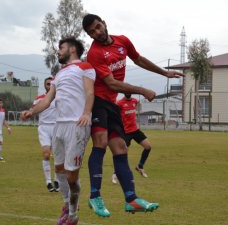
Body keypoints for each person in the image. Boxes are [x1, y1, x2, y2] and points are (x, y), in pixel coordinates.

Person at [82, 13, 184, 216]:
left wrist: (164, 73)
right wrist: (143, 90)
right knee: (100, 142)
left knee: (120, 148)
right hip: (98, 102)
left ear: (104, 23)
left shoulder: (122, 41)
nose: (97, 32)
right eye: (92, 32)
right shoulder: (95, 53)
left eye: (98, 27)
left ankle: (131, 199)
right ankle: (95, 196)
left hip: (111, 104)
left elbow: (138, 59)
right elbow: (111, 83)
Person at [21, 37, 95, 225]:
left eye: (60, 48)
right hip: (58, 125)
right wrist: (31, 111)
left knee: (72, 175)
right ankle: (66, 205)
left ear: (72, 49)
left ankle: (73, 214)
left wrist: (86, 113)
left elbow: (89, 92)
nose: (58, 51)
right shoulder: (59, 74)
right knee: (59, 169)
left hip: (77, 125)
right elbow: (47, 100)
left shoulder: (85, 67)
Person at [112, 94, 151, 184]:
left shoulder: (134, 101)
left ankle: (140, 166)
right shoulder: (120, 103)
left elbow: (137, 106)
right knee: (121, 153)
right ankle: (115, 174)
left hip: (135, 130)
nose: (128, 92)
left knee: (148, 147)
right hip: (126, 132)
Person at [32, 77, 59, 192]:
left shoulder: (59, 98)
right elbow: (33, 110)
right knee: (47, 154)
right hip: (43, 128)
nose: (49, 85)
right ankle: (48, 181)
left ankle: (57, 179)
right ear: (44, 86)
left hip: (56, 127)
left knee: (58, 156)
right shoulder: (39, 99)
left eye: (51, 84)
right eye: (47, 84)